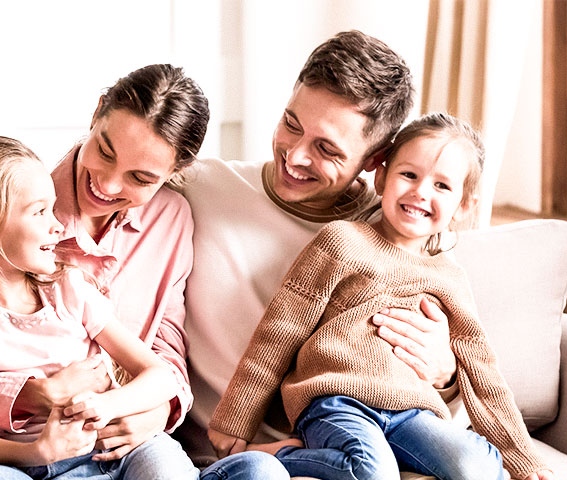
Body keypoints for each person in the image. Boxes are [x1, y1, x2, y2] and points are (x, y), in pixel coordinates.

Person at [0, 64, 288, 478]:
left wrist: (154, 410)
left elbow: (166, 350)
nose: (108, 184)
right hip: (17, 454)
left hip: (115, 445)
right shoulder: (16, 212)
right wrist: (34, 395)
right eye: (104, 150)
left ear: (173, 175)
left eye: (140, 177)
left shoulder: (170, 220)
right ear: (97, 113)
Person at [207, 113, 554, 480]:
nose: (421, 191)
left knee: (478, 466)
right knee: (374, 472)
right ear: (382, 176)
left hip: (413, 414)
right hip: (336, 402)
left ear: (464, 206)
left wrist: (525, 462)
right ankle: (275, 458)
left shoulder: (450, 279)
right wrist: (236, 420)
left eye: (442, 186)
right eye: (409, 175)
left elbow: (484, 374)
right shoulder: (341, 242)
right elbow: (280, 331)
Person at [179, 32, 464, 466]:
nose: (293, 157)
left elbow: (449, 418)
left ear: (376, 160)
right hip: (221, 459)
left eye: (326, 148)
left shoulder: (402, 234)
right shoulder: (204, 187)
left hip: (346, 457)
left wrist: (444, 374)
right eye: (291, 124)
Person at [0, 135, 199, 479]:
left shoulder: (68, 287)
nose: (57, 225)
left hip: (112, 453)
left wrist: (106, 405)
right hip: (26, 465)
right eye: (39, 212)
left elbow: (161, 375)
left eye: (52, 208)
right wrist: (37, 451)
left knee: (164, 465)